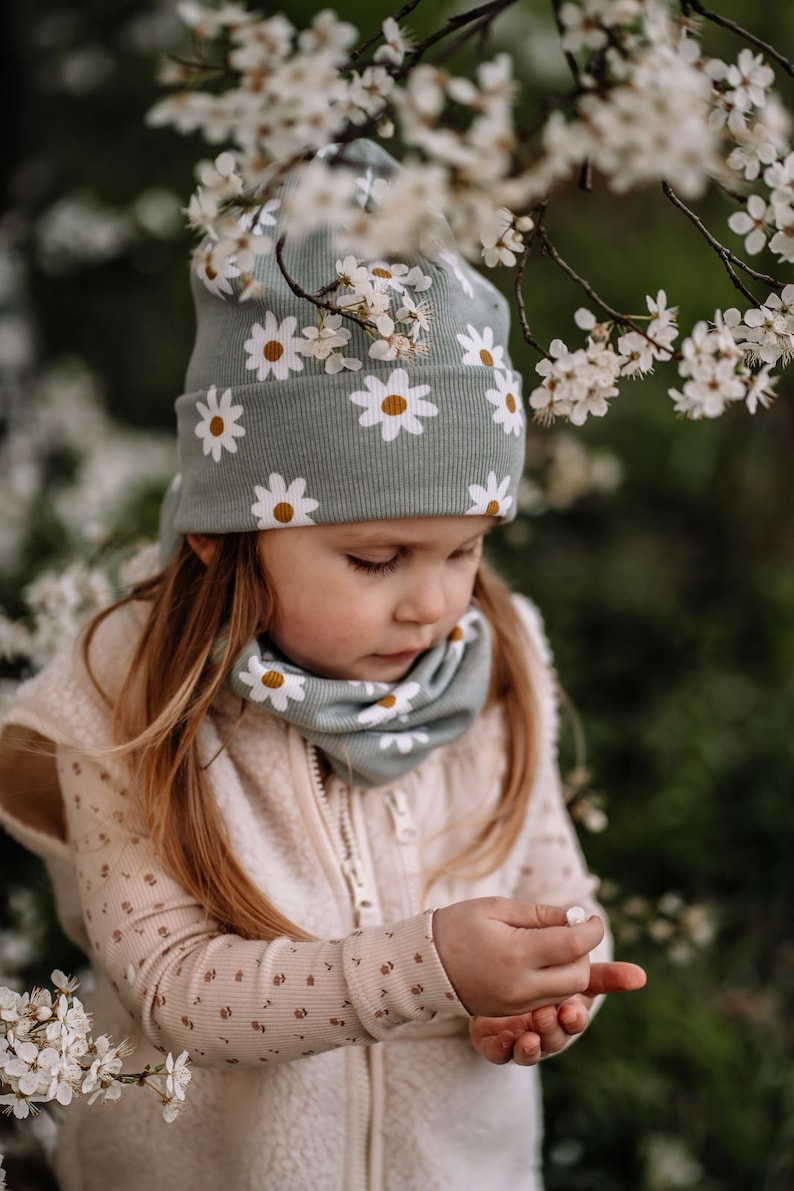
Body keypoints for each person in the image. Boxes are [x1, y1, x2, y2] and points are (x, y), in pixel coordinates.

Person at [0, 140, 645, 1190]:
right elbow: (170, 987)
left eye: (466, 547)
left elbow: (552, 884)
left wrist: (545, 984)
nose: (434, 600)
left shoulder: (493, 651)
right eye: (375, 558)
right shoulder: (131, 690)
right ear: (223, 530)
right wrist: (426, 968)